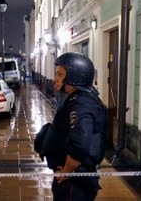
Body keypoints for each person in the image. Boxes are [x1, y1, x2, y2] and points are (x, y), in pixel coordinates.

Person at [35, 52, 107, 201]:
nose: (55, 79)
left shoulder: (81, 104)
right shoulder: (79, 99)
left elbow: (80, 144)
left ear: (75, 76)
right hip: (74, 179)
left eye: (60, 74)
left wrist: (67, 171)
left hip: (73, 184)